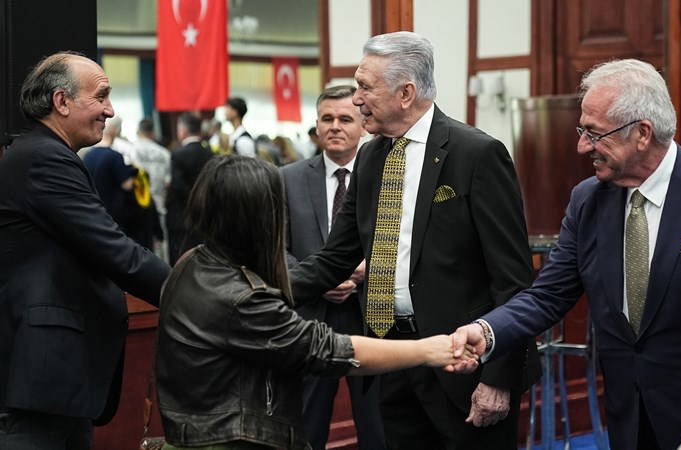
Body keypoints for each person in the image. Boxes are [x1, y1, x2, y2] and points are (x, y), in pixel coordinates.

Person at [451, 59, 681, 450]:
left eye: (594, 134)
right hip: (626, 414)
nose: (582, 146)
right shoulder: (588, 201)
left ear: (642, 133)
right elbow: (548, 295)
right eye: (582, 131)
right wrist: (486, 331)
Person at [289, 32, 539, 450]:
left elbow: (512, 281)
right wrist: (259, 290)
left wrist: (500, 378)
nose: (356, 99)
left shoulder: (476, 154)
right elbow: (334, 258)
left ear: (405, 93)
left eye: (365, 87)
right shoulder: (370, 157)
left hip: (465, 366)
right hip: (393, 362)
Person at [156, 155, 478, 450]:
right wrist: (428, 350)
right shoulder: (243, 300)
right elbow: (329, 350)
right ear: (259, 219)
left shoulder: (192, 262)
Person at [0, 52, 169, 449]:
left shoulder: (47, 155)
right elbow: (115, 251)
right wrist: (198, 292)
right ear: (61, 101)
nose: (110, 110)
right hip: (39, 386)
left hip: (52, 384)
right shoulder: (44, 158)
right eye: (101, 97)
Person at [282, 85, 384, 450]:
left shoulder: (385, 176)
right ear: (316, 125)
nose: (335, 126)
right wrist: (317, 279)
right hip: (309, 318)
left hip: (369, 315)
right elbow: (276, 248)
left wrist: (370, 268)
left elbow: (404, 242)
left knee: (377, 427)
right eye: (327, 119)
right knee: (306, 429)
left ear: (362, 125)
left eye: (345, 119)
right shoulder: (287, 178)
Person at [165, 112, 214, 264]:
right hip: (204, 213)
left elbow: (178, 185)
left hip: (181, 214)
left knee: (182, 257)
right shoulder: (210, 152)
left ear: (183, 130)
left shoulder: (178, 154)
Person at [132, 118, 171, 260]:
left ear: (139, 131)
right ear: (153, 133)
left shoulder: (131, 150)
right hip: (160, 203)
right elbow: (168, 182)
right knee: (162, 243)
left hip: (139, 206)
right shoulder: (164, 153)